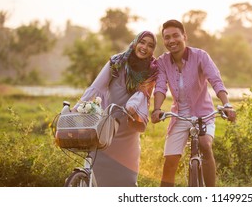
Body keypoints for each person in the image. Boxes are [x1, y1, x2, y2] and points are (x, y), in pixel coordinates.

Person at [151, 19, 236, 187]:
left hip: (203, 114)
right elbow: (160, 87)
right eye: (167, 37)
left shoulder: (200, 56)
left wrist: (227, 104)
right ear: (164, 41)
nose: (171, 40)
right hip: (179, 117)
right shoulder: (162, 62)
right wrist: (157, 109)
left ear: (184, 36)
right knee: (170, 162)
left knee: (205, 145)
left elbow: (215, 80)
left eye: (176, 35)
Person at [73, 31, 158, 186]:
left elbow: (142, 94)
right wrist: (77, 107)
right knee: (96, 175)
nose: (144, 47)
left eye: (150, 45)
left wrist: (131, 107)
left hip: (128, 129)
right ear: (135, 42)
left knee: (126, 179)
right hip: (106, 125)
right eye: (142, 42)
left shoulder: (152, 69)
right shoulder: (116, 62)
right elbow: (96, 88)